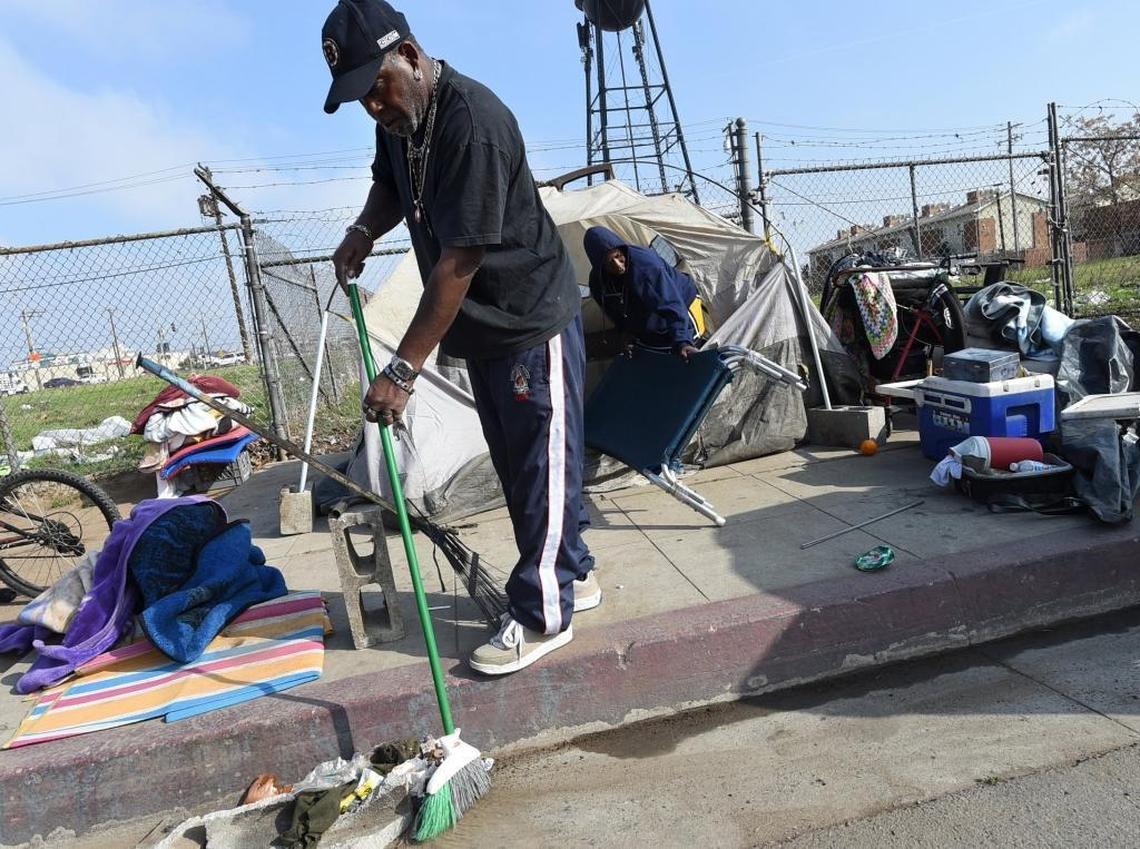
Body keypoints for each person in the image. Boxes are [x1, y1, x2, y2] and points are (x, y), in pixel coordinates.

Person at [322, 0, 598, 676]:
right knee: (517, 467)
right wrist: (363, 230)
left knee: (540, 465)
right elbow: (390, 187)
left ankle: (542, 614)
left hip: (529, 319)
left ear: (411, 58)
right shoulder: (399, 120)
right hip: (485, 332)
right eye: (358, 97)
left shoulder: (471, 124)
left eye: (376, 88)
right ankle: (574, 574)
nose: (372, 109)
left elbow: (458, 261)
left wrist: (404, 370)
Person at [583, 226, 705, 359]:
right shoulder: (598, 284)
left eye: (618, 256)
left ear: (622, 250)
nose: (618, 265)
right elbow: (616, 314)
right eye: (610, 262)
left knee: (686, 353)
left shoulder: (646, 266)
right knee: (659, 356)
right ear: (600, 266)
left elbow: (672, 302)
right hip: (651, 318)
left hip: (683, 306)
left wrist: (683, 341)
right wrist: (626, 334)